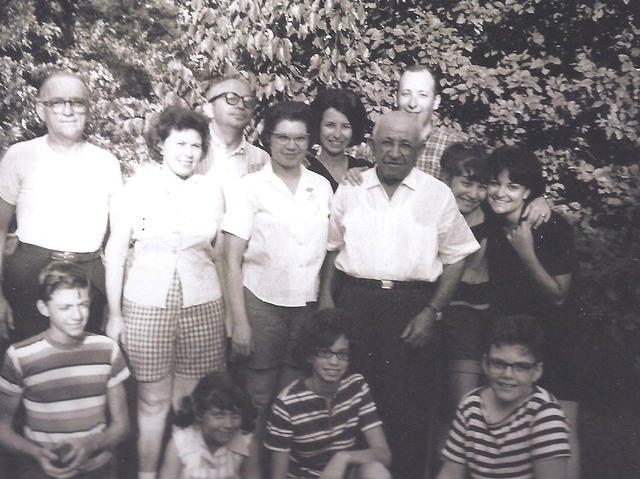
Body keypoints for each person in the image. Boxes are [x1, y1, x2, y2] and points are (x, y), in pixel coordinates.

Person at [318, 111, 479, 478]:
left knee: (410, 409)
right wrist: (327, 301)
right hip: (356, 302)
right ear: (373, 145)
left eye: (405, 144)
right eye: (386, 143)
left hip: (413, 307)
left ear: (420, 149)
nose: (394, 152)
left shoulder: (437, 195)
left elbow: (456, 259)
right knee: (353, 404)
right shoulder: (352, 186)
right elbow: (332, 250)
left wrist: (433, 310)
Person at [105, 106, 227, 479]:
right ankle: (146, 474)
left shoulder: (212, 190)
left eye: (196, 144)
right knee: (153, 402)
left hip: (202, 304)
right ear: (161, 145)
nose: (188, 152)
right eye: (180, 143)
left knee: (188, 404)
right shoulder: (137, 186)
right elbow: (115, 252)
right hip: (146, 304)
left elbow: (219, 254)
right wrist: (115, 314)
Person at [222, 101, 333, 430]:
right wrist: (239, 322)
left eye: (299, 138)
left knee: (293, 399)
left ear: (309, 141)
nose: (291, 145)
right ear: (267, 139)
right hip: (262, 304)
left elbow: (330, 250)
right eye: (283, 137)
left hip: (306, 308)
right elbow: (231, 258)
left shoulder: (321, 186)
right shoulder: (250, 187)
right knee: (257, 397)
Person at [0, 70, 123, 342]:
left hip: (89, 275)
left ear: (88, 109)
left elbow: (116, 244)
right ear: (41, 110)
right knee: (27, 365)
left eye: (77, 102)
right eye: (57, 102)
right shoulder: (20, 155)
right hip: (29, 275)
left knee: (83, 369)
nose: (68, 110)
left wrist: (115, 310)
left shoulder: (106, 162)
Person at [484, 145, 581, 479]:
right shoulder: (490, 221)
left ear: (528, 190)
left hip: (556, 339)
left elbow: (558, 295)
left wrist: (526, 252)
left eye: (513, 186)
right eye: (494, 183)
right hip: (512, 341)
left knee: (562, 431)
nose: (500, 192)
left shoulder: (553, 227)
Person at [353, 65, 551, 226]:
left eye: (422, 95)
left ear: (436, 101)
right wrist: (352, 172)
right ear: (397, 98)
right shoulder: (374, 146)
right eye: (406, 94)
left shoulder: (456, 148)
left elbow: (498, 182)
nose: (412, 103)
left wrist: (536, 197)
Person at [0, 261, 130, 479]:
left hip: (97, 468)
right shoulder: (20, 355)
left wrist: (90, 443)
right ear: (44, 308)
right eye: (65, 307)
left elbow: (122, 426)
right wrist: (36, 453)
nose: (77, 315)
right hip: (42, 468)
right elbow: (3, 428)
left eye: (83, 304)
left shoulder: (107, 349)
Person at [438, 314, 571, 479]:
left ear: (537, 371)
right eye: (499, 364)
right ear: (485, 364)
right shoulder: (471, 405)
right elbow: (450, 473)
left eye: (520, 367)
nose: (508, 374)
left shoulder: (544, 414)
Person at [265, 308, 392, 479]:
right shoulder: (287, 403)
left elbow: (384, 454)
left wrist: (343, 458)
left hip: (342, 472)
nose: (334, 362)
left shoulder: (356, 386)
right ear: (309, 356)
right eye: (325, 353)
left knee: (376, 471)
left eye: (342, 354)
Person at [439, 142, 492, 412]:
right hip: (435, 313)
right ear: (446, 179)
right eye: (467, 183)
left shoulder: (488, 220)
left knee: (464, 405)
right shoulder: (434, 212)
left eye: (481, 186)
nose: (474, 194)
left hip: (468, 320)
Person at [160, 371, 261, 479]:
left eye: (235, 415)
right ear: (200, 413)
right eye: (218, 415)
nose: (229, 424)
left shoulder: (246, 443)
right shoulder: (180, 444)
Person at [195, 74, 270, 180]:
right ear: (209, 109)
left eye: (248, 101)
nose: (241, 106)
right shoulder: (190, 151)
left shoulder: (261, 159)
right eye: (231, 98)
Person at [307, 88, 372, 191]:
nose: (337, 134)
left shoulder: (365, 169)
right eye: (330, 125)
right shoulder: (306, 170)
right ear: (317, 126)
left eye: (346, 126)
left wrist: (370, 177)